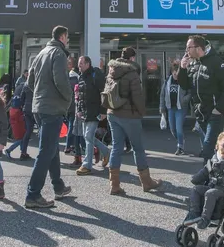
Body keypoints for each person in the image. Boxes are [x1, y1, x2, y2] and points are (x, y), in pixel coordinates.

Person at [23, 25, 74, 209]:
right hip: (52, 108)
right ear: (62, 36)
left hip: (39, 107)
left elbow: (29, 81)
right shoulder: (59, 54)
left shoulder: (42, 52)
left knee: (51, 149)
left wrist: (39, 94)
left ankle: (58, 187)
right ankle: (33, 194)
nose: (68, 40)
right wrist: (69, 98)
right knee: (46, 151)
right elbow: (61, 80)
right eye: (67, 37)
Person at [106, 47, 161, 196]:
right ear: (132, 59)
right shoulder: (132, 74)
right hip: (129, 115)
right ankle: (146, 182)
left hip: (112, 113)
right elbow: (138, 97)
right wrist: (142, 112)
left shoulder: (111, 72)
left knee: (116, 147)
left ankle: (114, 184)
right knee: (138, 148)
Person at [177, 35, 224, 163]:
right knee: (214, 149)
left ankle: (207, 181)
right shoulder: (194, 63)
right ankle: (220, 176)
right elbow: (185, 85)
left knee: (208, 149)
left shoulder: (216, 62)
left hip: (215, 114)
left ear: (198, 48)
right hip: (200, 113)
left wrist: (218, 108)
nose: (186, 51)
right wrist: (182, 68)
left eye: (189, 47)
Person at [182, 130, 224, 229]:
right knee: (196, 189)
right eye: (223, 153)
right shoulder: (215, 161)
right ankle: (194, 212)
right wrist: (196, 179)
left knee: (210, 193)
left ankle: (205, 218)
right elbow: (205, 171)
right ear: (218, 151)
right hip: (213, 187)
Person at [75, 56, 109, 175]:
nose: (79, 66)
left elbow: (104, 93)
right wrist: (79, 109)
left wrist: (103, 111)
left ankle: (87, 165)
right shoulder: (81, 77)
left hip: (94, 111)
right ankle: (106, 151)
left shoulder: (96, 75)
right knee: (87, 137)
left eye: (81, 64)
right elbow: (80, 95)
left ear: (88, 64)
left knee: (88, 137)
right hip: (85, 112)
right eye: (79, 64)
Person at [159, 60, 191, 155]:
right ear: (172, 72)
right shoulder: (167, 81)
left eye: (178, 73)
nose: (176, 75)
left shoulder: (184, 81)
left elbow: (190, 93)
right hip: (170, 108)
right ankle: (181, 140)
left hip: (181, 108)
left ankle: (180, 146)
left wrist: (184, 100)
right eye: (174, 73)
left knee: (178, 128)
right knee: (172, 129)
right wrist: (162, 108)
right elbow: (162, 95)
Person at [5, 71, 35, 161]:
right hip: (29, 111)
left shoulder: (24, 85)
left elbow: (21, 99)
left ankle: (23, 152)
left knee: (24, 133)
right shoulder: (35, 85)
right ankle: (13, 150)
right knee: (26, 133)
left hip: (22, 111)